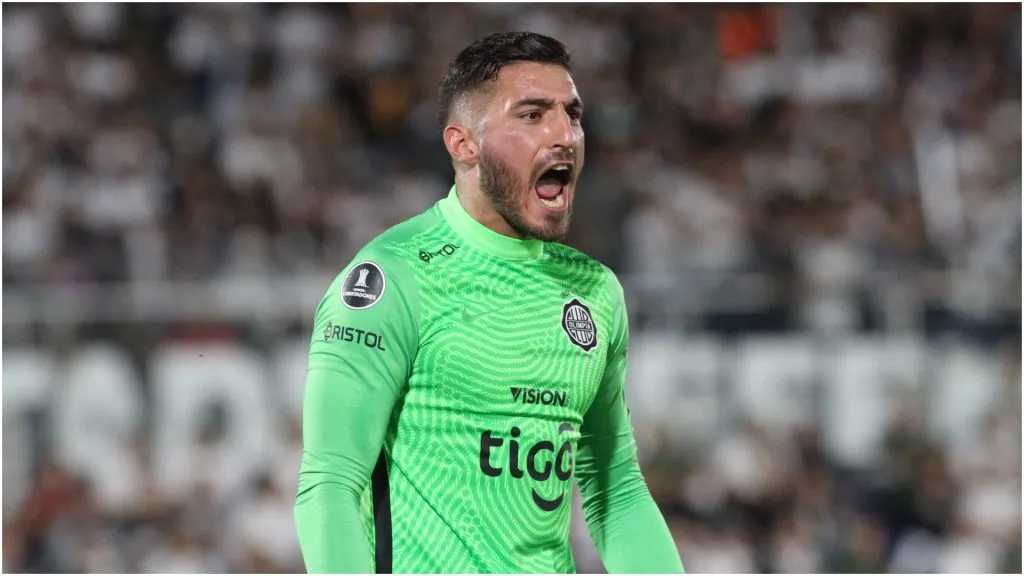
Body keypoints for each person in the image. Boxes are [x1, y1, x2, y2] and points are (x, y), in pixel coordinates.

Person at [294, 31, 685, 574]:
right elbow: (330, 482)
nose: (564, 134)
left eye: (572, 114)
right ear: (463, 143)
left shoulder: (595, 293)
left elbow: (615, 491)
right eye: (532, 115)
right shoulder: (393, 277)